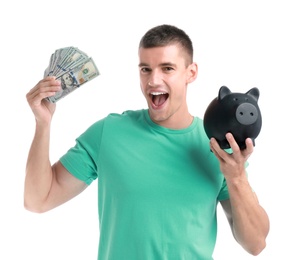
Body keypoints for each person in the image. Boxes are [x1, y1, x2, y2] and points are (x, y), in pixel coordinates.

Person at [24, 24, 270, 259]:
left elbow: (256, 243)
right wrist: (42, 124)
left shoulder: (218, 149)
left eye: (167, 68)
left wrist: (236, 176)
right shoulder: (108, 133)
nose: (153, 80)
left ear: (191, 73)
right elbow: (39, 199)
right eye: (145, 69)